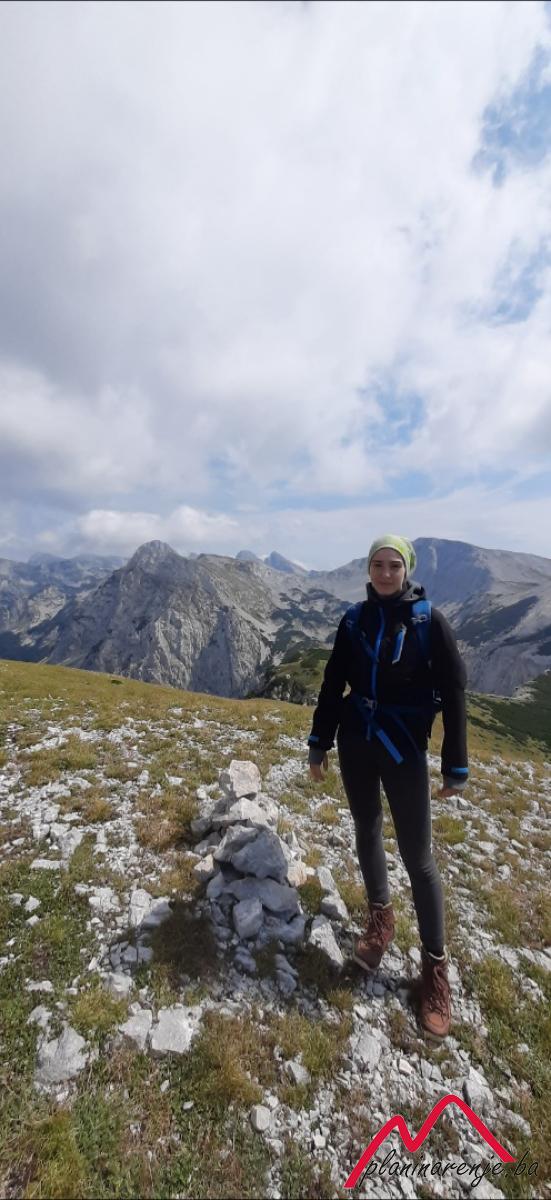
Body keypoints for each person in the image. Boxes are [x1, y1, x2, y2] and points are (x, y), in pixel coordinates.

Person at [307, 534, 468, 1040]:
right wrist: (319, 742)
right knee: (366, 828)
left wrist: (455, 765)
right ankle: (381, 921)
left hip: (402, 747)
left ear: (407, 569)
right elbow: (333, 682)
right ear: (368, 569)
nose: (384, 573)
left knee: (418, 856)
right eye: (377, 564)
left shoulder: (428, 622)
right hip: (357, 739)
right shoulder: (353, 620)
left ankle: (435, 970)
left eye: (393, 565)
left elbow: (455, 691)